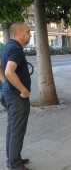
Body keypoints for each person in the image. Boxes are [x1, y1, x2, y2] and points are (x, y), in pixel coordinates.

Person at [1, 22, 32, 169]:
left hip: (9, 94)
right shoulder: (16, 50)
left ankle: (12, 159)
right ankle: (15, 165)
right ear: (19, 32)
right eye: (27, 32)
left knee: (12, 129)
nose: (30, 35)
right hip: (17, 97)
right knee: (17, 131)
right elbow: (8, 71)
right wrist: (23, 90)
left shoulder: (8, 46)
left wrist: (6, 83)